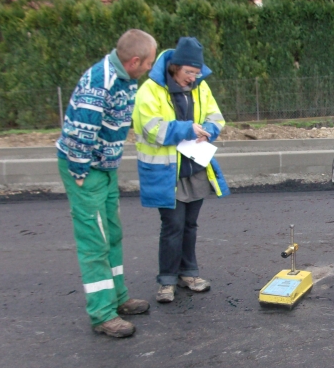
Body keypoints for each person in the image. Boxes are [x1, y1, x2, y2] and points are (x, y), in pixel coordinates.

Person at [57, 29, 157, 338]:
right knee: (94, 240)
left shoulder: (126, 79)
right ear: (135, 61)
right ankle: (102, 313)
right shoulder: (100, 84)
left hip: (104, 167)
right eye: (149, 63)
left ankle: (117, 297)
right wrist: (79, 172)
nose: (151, 68)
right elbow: (79, 134)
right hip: (86, 170)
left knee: (111, 232)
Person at [132, 37, 229, 304]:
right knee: (172, 225)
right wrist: (185, 129)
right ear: (175, 67)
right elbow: (150, 128)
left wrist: (209, 130)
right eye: (189, 72)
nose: (193, 78)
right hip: (166, 172)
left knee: (190, 224)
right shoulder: (149, 90)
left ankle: (189, 273)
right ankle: (166, 280)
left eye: (197, 73)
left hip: (194, 167)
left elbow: (215, 116)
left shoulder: (200, 87)